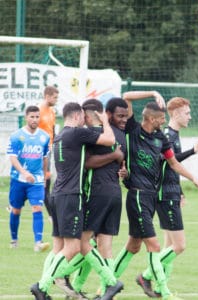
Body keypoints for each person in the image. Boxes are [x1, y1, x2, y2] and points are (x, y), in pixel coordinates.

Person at [112, 91, 198, 300]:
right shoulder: (134, 130)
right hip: (136, 195)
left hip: (151, 197)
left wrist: (193, 178)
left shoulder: (161, 139)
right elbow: (126, 96)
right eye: (161, 118)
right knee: (155, 245)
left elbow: (173, 163)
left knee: (133, 246)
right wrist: (152, 93)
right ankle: (163, 291)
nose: (164, 122)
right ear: (151, 119)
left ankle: (107, 284)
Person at [30, 102, 123, 300]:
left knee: (58, 248)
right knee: (74, 247)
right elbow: (109, 139)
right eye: (83, 116)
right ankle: (43, 285)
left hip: (56, 194)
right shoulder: (77, 133)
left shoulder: (60, 136)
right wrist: (105, 122)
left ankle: (44, 288)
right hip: (72, 196)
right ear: (78, 115)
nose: (85, 120)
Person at [136, 96, 198, 298]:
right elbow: (167, 161)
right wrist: (192, 152)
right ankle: (146, 276)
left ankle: (161, 289)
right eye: (187, 113)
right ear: (175, 113)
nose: (190, 117)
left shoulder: (173, 134)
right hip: (164, 195)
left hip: (171, 193)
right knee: (179, 246)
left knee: (168, 246)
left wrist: (180, 192)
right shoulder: (167, 134)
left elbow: (170, 168)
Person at [69, 98, 128, 299]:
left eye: (84, 115)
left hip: (97, 193)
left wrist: (117, 160)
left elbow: (88, 163)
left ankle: (57, 279)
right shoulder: (120, 135)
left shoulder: (93, 134)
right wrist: (121, 165)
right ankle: (102, 291)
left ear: (91, 114)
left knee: (84, 243)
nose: (82, 119)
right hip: (114, 194)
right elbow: (122, 161)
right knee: (104, 246)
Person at [7, 105, 50, 252]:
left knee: (37, 208)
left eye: (37, 116)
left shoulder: (44, 137)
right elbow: (13, 158)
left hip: (36, 181)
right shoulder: (16, 136)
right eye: (32, 116)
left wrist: (44, 176)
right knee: (16, 210)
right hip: (18, 180)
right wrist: (24, 173)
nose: (35, 119)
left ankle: (38, 242)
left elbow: (45, 158)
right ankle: (14, 239)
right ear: (26, 117)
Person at [38, 86, 59, 219]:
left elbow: (52, 131)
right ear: (47, 96)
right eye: (55, 97)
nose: (56, 100)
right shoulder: (38, 111)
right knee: (43, 181)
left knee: (45, 180)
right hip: (39, 152)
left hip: (49, 150)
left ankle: (15, 203)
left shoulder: (52, 111)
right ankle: (52, 215)